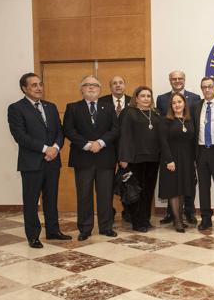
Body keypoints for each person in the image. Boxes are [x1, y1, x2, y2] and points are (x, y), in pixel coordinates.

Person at [7, 72, 71, 248]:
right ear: (24, 88)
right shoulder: (16, 108)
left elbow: (60, 131)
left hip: (52, 161)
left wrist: (56, 148)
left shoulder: (50, 106)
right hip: (31, 162)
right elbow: (20, 136)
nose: (39, 88)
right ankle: (33, 236)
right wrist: (45, 149)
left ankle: (53, 231)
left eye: (40, 84)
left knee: (51, 198)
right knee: (31, 200)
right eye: (34, 85)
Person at [63, 76, 119, 241]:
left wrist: (100, 143)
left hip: (105, 157)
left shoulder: (109, 108)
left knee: (105, 195)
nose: (91, 87)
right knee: (84, 195)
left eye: (95, 85)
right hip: (83, 158)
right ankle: (85, 229)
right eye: (87, 85)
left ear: (100, 89)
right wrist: (87, 145)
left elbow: (115, 130)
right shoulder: (73, 107)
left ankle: (106, 227)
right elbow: (68, 130)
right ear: (81, 89)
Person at [156, 70, 201, 225]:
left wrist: (195, 158)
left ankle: (187, 213)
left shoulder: (192, 107)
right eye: (173, 79)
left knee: (184, 187)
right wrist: (168, 159)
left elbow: (195, 137)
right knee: (173, 188)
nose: (177, 104)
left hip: (187, 158)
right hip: (171, 157)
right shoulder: (163, 110)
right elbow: (163, 140)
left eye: (180, 78)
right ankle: (176, 218)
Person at [119, 86, 160, 233]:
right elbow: (124, 136)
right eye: (142, 96)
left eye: (148, 96)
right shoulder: (129, 113)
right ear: (136, 98)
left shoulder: (155, 114)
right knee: (136, 192)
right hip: (134, 159)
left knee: (148, 191)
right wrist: (123, 157)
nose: (146, 99)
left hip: (153, 159)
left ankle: (145, 220)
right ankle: (137, 222)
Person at [193, 77, 214, 231]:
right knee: (204, 187)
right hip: (201, 151)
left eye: (210, 87)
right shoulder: (195, 106)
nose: (207, 90)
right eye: (204, 87)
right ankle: (205, 218)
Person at [98, 75, 132, 223]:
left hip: (128, 148)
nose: (118, 85)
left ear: (124, 85)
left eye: (121, 82)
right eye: (114, 83)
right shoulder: (102, 102)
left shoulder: (133, 101)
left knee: (129, 180)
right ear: (110, 87)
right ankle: (108, 212)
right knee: (106, 183)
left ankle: (128, 211)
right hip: (107, 148)